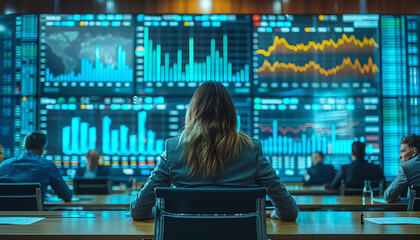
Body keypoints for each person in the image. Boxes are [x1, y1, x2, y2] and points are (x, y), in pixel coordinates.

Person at [130, 82, 298, 221]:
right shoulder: (251, 149)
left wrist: (161, 215)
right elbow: (289, 212)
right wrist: (274, 215)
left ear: (193, 112)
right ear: (231, 113)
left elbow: (138, 212)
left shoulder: (173, 149)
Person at [0, 132, 72, 201]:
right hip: (34, 213)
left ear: (24, 147)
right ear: (42, 149)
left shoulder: (5, 165)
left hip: (5, 213)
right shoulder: (48, 166)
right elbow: (66, 195)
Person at [384, 134, 420, 203]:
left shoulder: (407, 168)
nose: (399, 156)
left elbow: (388, 197)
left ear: (414, 152)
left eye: (403, 151)